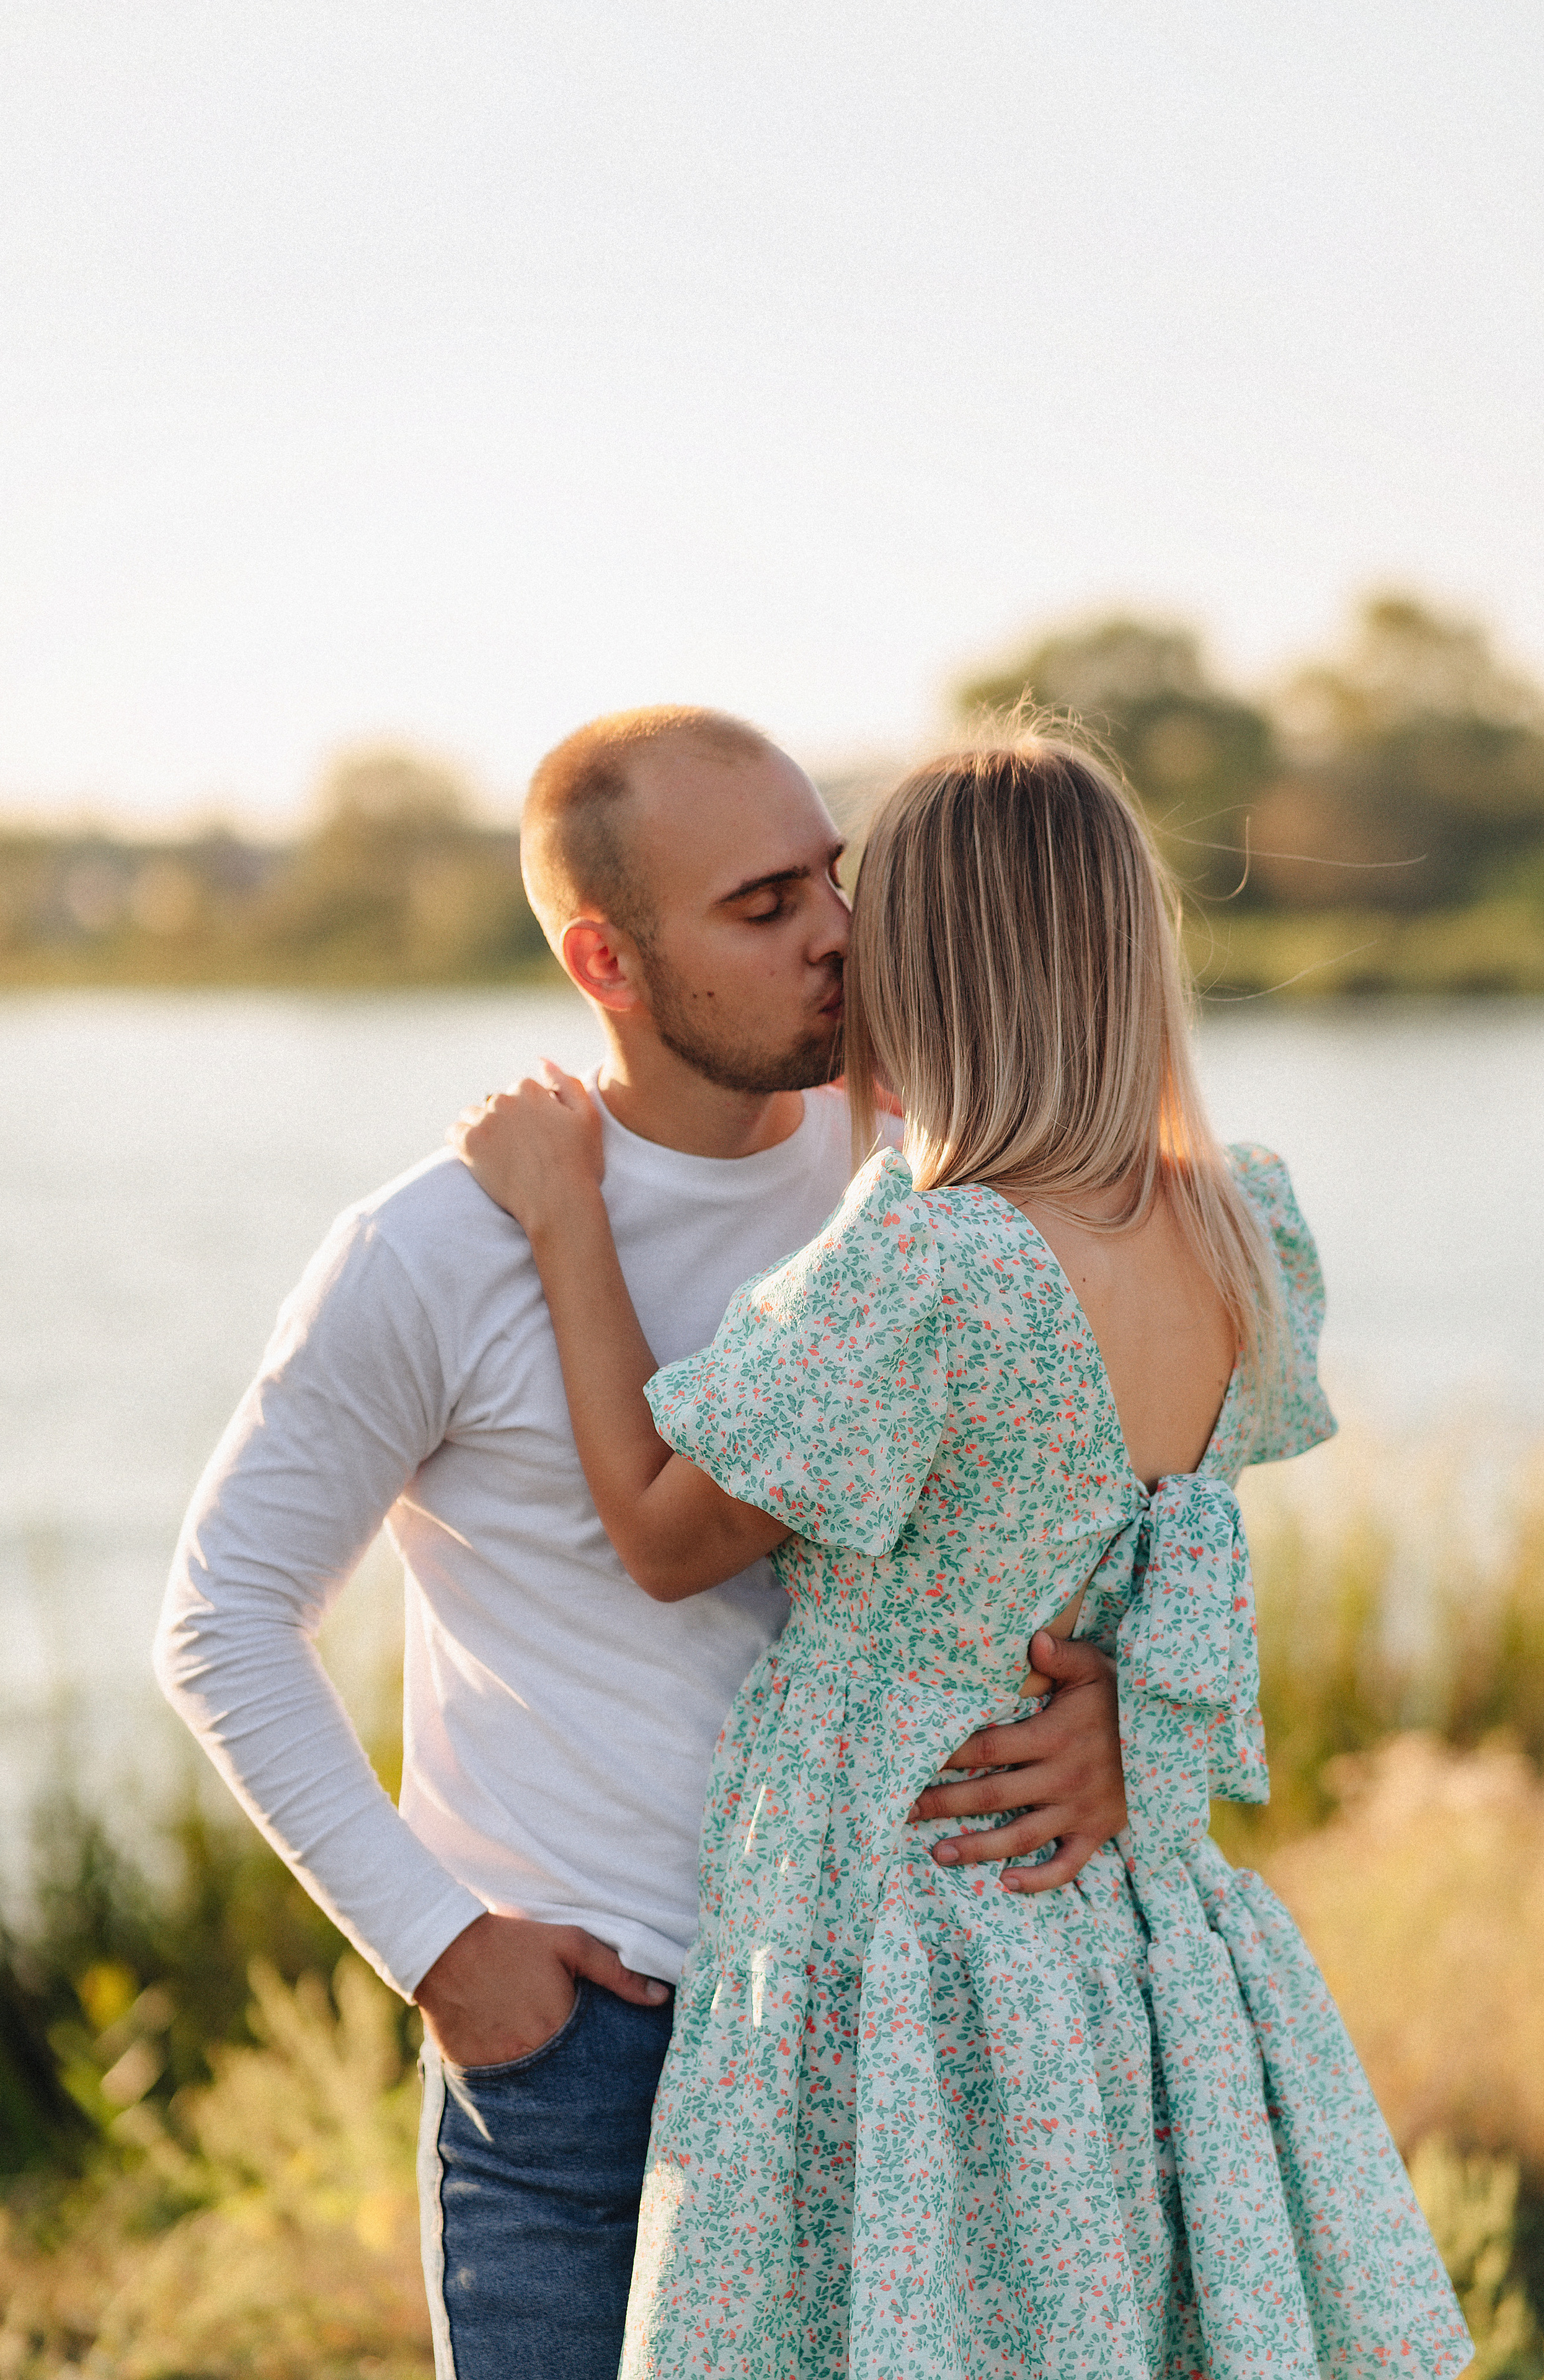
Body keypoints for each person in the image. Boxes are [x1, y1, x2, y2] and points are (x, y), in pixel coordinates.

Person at [453, 732, 1470, 2380]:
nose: (836, 956)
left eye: (863, 922)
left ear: (927, 968)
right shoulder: (1232, 1229)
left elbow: (658, 1531)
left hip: (905, 1912)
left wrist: (569, 1215)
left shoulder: (928, 1265)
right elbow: (1162, 1553)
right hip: (1110, 1915)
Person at [153, 706, 1131, 2380]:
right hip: (599, 2055)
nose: (839, 930)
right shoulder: (432, 1249)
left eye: (832, 875)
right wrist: (445, 1952)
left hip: (907, 2023)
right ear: (606, 959)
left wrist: (1112, 1704)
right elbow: (224, 1617)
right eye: (764, 907)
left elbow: (1103, 1485)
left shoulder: (926, 1181)